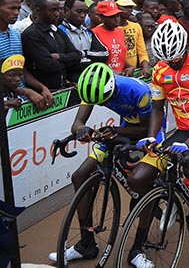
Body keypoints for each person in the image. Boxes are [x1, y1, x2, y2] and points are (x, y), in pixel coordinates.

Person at [126, 21, 189, 268]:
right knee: (139, 177)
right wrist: (152, 137)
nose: (172, 64)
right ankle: (138, 247)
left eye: (176, 59)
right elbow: (158, 110)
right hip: (182, 132)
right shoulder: (160, 71)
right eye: (167, 60)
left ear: (185, 48)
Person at [47, 62, 155, 264]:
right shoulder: (92, 88)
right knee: (80, 176)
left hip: (146, 130)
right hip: (121, 128)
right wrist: (82, 130)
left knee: (142, 183)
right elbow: (76, 124)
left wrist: (117, 131)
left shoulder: (138, 91)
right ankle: (86, 244)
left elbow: (146, 129)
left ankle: (138, 248)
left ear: (111, 88)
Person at [21, 0, 81, 90]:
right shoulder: (31, 34)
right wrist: (68, 61)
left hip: (61, 87)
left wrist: (59, 57)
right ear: (38, 11)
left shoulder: (57, 31)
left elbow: (77, 55)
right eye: (52, 10)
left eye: (58, 10)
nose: (57, 14)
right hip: (43, 91)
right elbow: (48, 65)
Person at [92, 1, 133, 75]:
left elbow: (119, 56)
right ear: (102, 18)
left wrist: (130, 67)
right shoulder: (94, 33)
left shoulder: (120, 32)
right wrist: (111, 72)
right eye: (112, 17)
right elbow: (94, 61)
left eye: (117, 15)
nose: (116, 19)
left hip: (120, 77)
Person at [117, 0, 150, 78]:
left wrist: (145, 67)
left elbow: (142, 50)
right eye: (125, 7)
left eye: (131, 7)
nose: (129, 10)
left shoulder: (136, 26)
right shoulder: (112, 28)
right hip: (116, 70)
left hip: (133, 71)